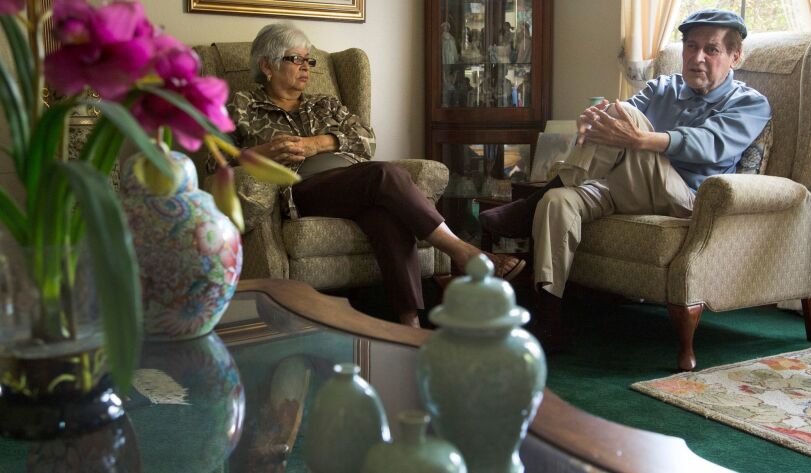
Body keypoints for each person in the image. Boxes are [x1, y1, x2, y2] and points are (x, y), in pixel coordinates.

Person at [208, 23, 525, 328]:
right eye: (296, 59)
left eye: (309, 60)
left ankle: (409, 324)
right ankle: (461, 250)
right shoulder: (243, 104)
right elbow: (214, 161)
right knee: (385, 174)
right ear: (267, 65)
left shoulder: (325, 103)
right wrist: (263, 154)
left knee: (384, 216)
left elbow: (367, 139)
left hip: (352, 182)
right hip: (299, 191)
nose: (307, 67)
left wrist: (317, 143)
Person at [479, 9, 770, 303]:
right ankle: (549, 309)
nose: (697, 58)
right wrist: (589, 122)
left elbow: (710, 144)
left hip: (687, 197)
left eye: (712, 49)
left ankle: (531, 203)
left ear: (735, 56)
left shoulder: (750, 104)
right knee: (559, 201)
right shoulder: (663, 87)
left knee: (623, 114)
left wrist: (641, 139)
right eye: (691, 46)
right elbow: (614, 125)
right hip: (629, 185)